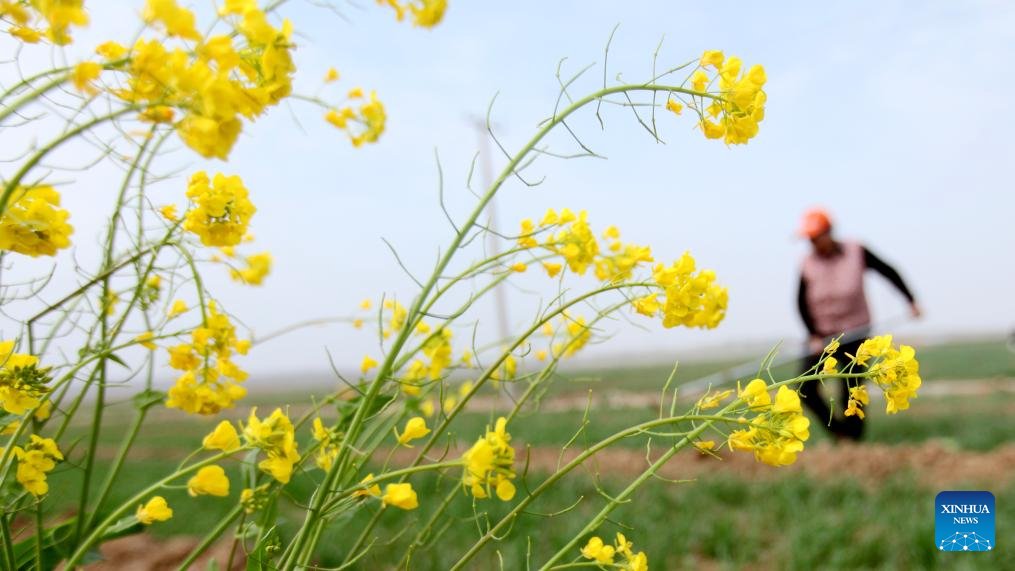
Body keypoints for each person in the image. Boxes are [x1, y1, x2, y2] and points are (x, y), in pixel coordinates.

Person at [796, 207, 921, 441]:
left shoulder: (856, 251)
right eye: (809, 240)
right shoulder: (807, 263)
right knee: (805, 389)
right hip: (823, 337)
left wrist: (910, 300)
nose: (813, 244)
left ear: (829, 232)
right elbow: (801, 302)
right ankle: (839, 434)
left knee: (852, 391)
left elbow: (888, 271)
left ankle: (855, 442)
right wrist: (812, 334)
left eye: (816, 238)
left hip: (856, 334)